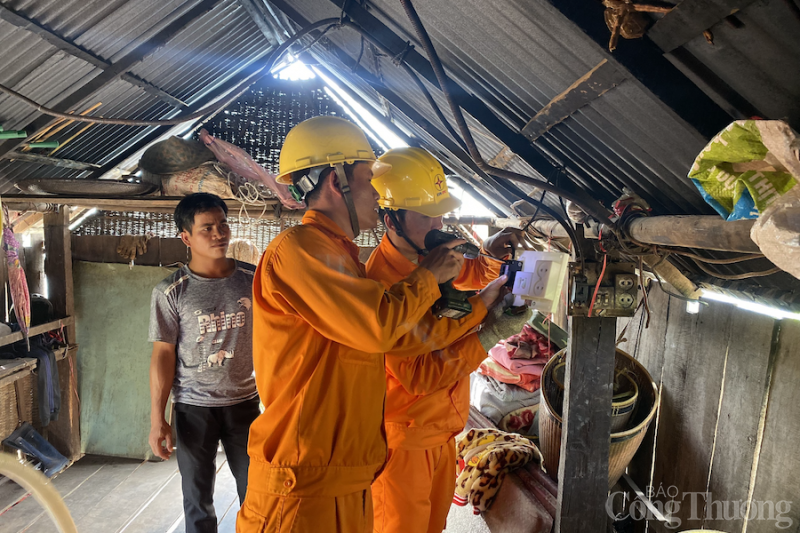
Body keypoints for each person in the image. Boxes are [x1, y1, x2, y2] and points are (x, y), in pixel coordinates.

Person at [237, 116, 506, 533]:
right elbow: (378, 328)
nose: (377, 195)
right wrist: (432, 280)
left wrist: (482, 310)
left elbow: (403, 334)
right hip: (302, 481)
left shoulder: (344, 260)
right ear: (335, 181)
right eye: (368, 178)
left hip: (345, 474)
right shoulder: (298, 250)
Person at [367, 147, 524, 533]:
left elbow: (466, 272)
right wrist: (486, 336)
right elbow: (419, 375)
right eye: (424, 214)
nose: (437, 223)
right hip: (404, 439)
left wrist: (489, 255)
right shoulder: (383, 284)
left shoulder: (428, 257)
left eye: (440, 212)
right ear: (391, 219)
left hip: (440, 431)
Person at [149, 193, 260, 533]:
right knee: (197, 498)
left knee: (257, 492)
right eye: (207, 228)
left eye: (223, 224)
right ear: (186, 237)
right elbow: (163, 355)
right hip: (194, 408)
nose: (218, 233)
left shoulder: (253, 280)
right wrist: (158, 419)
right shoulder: (171, 292)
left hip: (245, 404)